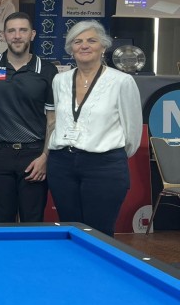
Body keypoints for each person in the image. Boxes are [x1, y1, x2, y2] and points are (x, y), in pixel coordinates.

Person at [47, 20, 142, 236]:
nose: (84, 46)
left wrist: (108, 154)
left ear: (103, 46)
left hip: (104, 165)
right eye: (77, 41)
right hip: (62, 164)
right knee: (70, 231)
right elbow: (57, 121)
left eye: (91, 40)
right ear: (71, 48)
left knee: (99, 232)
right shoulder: (59, 80)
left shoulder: (121, 81)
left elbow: (132, 132)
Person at [0, 12, 58, 223]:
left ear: (32, 34)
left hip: (34, 156)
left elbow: (53, 121)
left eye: (23, 30)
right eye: (11, 31)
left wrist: (45, 158)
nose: (17, 36)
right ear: (3, 35)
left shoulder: (47, 70)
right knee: (0, 222)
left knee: (32, 222)